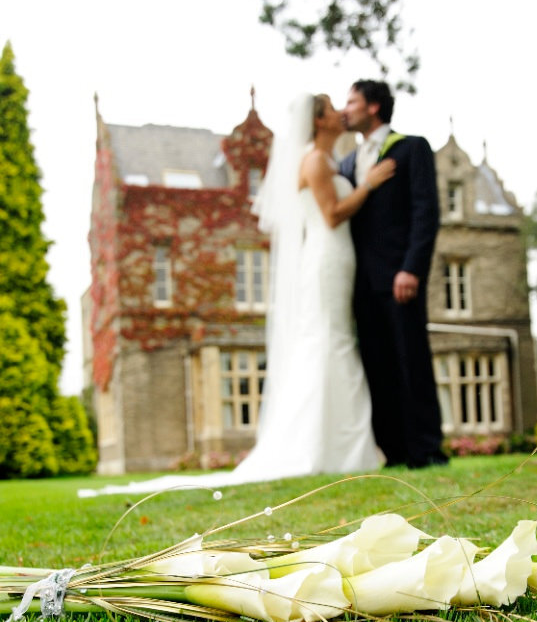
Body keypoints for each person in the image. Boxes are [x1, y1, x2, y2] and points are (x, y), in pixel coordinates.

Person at [78, 93, 395, 497]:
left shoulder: (331, 160)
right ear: (317, 121)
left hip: (337, 257)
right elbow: (331, 214)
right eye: (331, 108)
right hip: (327, 255)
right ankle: (326, 448)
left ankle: (343, 447)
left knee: (335, 341)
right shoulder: (315, 160)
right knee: (330, 343)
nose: (339, 113)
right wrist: (368, 183)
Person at [339, 79, 447, 469]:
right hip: (360, 284)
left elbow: (425, 213)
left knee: (410, 360)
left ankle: (428, 448)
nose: (344, 108)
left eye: (351, 101)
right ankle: (394, 449)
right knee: (376, 364)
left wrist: (411, 269)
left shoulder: (411, 148)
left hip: (400, 277)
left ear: (373, 107)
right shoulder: (347, 164)